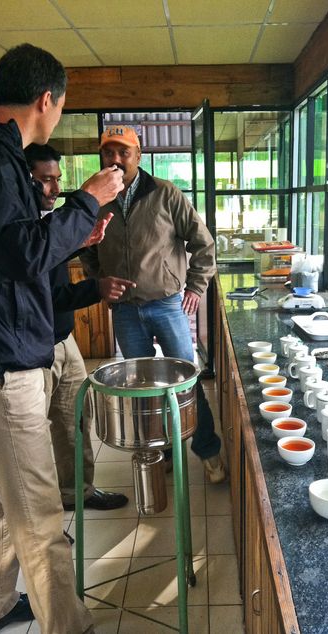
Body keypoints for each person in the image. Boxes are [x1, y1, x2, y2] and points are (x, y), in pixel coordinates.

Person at [0, 44, 124, 634]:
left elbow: (15, 255)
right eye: (61, 107)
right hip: (2, 364)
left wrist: (78, 234)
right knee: (39, 515)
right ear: (48, 101)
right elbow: (22, 254)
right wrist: (89, 199)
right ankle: (70, 625)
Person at [80, 125, 226, 484]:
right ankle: (161, 452)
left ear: (138, 156)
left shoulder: (165, 194)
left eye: (123, 152)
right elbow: (86, 247)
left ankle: (207, 450)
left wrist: (195, 286)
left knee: (186, 383)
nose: (115, 160)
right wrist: (100, 284)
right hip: (126, 312)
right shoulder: (94, 198)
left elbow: (204, 244)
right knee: (143, 390)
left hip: (166, 305)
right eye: (108, 152)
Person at [24, 142, 135, 511]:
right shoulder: (17, 230)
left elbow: (49, 266)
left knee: (74, 420)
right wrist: (97, 288)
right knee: (33, 437)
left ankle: (78, 493)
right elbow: (47, 295)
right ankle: (44, 521)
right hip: (32, 349)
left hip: (62, 338)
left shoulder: (45, 222)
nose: (56, 189)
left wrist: (79, 243)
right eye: (45, 180)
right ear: (23, 180)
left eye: (58, 179)